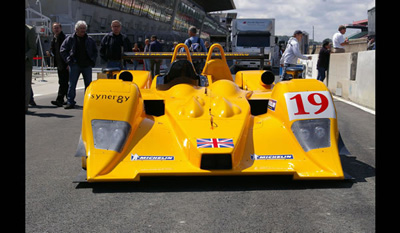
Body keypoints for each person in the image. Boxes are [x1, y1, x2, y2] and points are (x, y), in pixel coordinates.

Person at [60, 20, 98, 109]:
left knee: (88, 85)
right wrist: (69, 60)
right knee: (72, 84)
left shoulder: (90, 40)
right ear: (76, 29)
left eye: (84, 28)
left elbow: (95, 51)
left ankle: (88, 102)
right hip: (75, 65)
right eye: (81, 28)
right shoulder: (70, 39)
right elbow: (63, 50)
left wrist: (92, 61)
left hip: (87, 65)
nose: (83, 30)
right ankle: (70, 101)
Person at [46, 22, 69, 107]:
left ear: (61, 28)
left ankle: (60, 99)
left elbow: (68, 51)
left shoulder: (64, 38)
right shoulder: (54, 38)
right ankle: (67, 99)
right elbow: (54, 50)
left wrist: (68, 63)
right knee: (63, 82)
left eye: (57, 27)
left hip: (65, 63)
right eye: (54, 28)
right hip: (59, 64)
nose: (56, 29)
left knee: (64, 82)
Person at [25, 24, 37, 113]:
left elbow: (33, 48)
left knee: (26, 86)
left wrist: (26, 56)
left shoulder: (29, 30)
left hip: (26, 64)